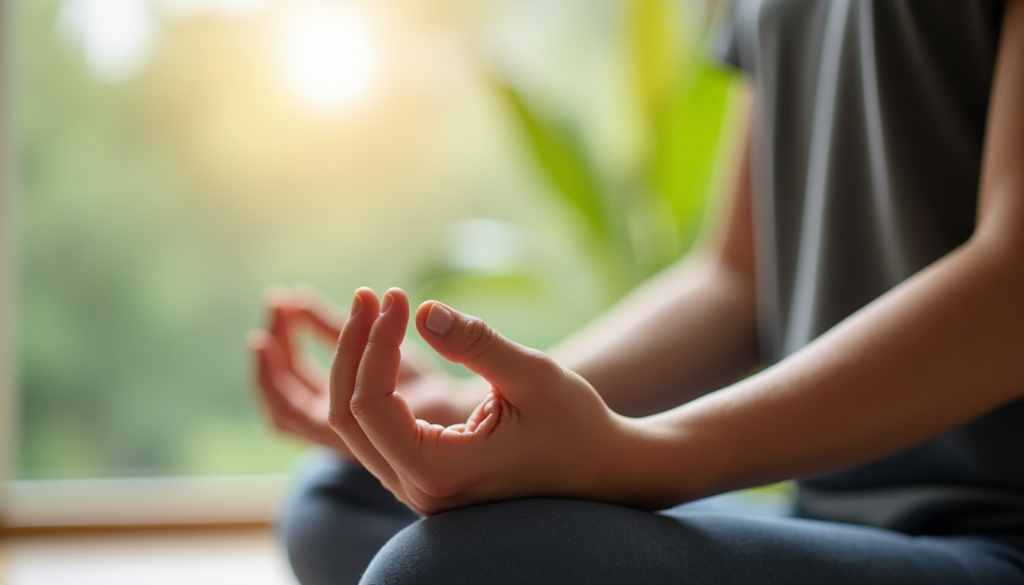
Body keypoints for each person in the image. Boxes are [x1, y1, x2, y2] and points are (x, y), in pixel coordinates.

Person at [248, 0, 1024, 583]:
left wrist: (654, 455)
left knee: (439, 568)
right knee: (343, 499)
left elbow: (1012, 281)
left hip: (997, 533)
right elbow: (737, 278)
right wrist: (480, 408)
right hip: (827, 514)